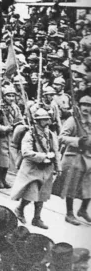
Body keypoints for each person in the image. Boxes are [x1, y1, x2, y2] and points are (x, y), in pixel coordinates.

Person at [10, 108, 60, 229]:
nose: (47, 121)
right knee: (30, 193)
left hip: (46, 169)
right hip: (31, 168)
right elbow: (26, 152)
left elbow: (56, 150)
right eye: (44, 119)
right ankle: (20, 209)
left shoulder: (50, 134)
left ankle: (37, 218)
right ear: (37, 121)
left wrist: (58, 166)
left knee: (42, 195)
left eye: (47, 119)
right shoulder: (30, 134)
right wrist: (44, 156)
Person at [52, 95, 91, 226]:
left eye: (89, 106)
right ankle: (69, 213)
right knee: (71, 187)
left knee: (88, 187)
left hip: (88, 158)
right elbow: (61, 137)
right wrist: (77, 141)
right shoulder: (73, 120)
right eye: (84, 105)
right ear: (79, 106)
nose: (86, 108)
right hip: (74, 158)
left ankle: (83, 210)